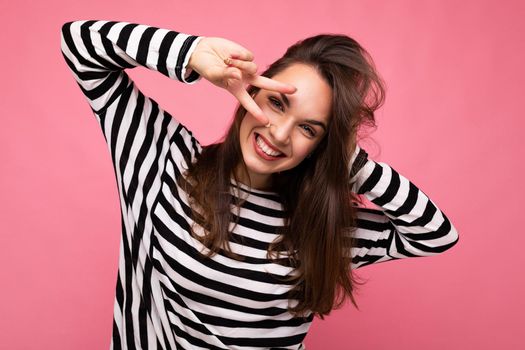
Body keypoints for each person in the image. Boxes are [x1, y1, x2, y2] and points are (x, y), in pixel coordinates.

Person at [60, 19, 459, 350]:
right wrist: (191, 53)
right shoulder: (162, 161)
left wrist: (347, 159)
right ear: (253, 87)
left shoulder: (321, 224)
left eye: (308, 128)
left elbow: (435, 234)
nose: (281, 133)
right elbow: (79, 45)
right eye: (277, 103)